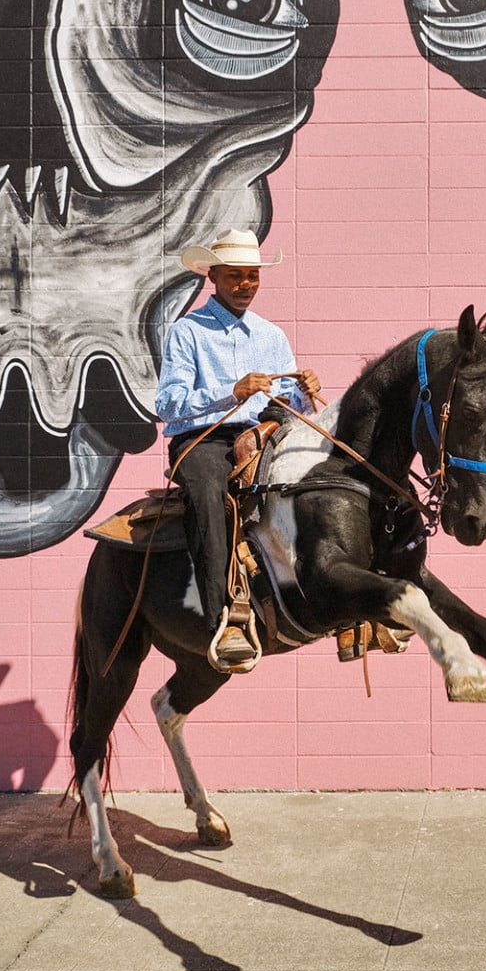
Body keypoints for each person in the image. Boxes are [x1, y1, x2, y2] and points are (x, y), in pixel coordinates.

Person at [155, 228, 321, 670]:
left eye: (252, 276)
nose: (245, 284)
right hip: (204, 439)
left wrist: (302, 393)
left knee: (321, 479)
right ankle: (223, 618)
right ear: (213, 276)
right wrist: (231, 391)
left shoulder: (271, 336)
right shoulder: (187, 332)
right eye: (235, 276)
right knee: (208, 497)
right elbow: (167, 404)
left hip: (263, 433)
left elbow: (286, 402)